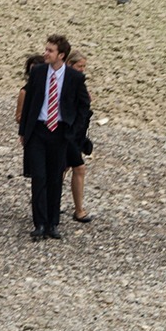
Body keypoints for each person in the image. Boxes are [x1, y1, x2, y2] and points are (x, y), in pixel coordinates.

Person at [19, 34, 92, 241]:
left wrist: (74, 131)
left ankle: (52, 223)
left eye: (50, 50)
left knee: (54, 178)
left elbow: (83, 105)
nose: (46, 53)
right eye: (46, 49)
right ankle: (39, 223)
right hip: (38, 131)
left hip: (60, 132)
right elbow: (30, 102)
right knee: (39, 177)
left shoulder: (74, 77)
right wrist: (24, 131)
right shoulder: (39, 73)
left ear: (61, 55)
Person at [65, 51, 93, 224]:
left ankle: (51, 201)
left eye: (83, 67)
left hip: (76, 134)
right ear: (70, 64)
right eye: (79, 66)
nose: (82, 70)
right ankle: (79, 210)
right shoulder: (71, 82)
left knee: (64, 167)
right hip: (70, 133)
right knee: (78, 168)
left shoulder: (76, 81)